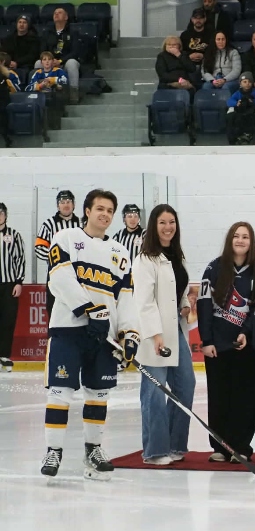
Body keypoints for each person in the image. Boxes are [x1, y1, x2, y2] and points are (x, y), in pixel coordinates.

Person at [40, 189, 139, 480]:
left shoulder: (120, 253)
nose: (105, 214)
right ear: (87, 211)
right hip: (67, 330)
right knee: (60, 392)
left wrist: (129, 334)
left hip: (103, 337)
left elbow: (125, 298)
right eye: (99, 208)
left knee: (98, 394)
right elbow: (59, 278)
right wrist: (90, 310)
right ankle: (53, 450)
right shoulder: (66, 238)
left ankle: (93, 449)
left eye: (109, 210)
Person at [132, 205, 194, 466]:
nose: (168, 227)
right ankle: (155, 450)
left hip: (175, 330)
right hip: (154, 336)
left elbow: (180, 290)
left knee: (186, 385)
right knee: (154, 392)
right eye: (162, 223)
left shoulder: (177, 255)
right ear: (153, 227)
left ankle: (175, 443)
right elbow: (144, 301)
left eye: (172, 222)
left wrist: (185, 304)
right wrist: (155, 334)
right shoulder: (145, 259)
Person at [199, 222, 255, 463]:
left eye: (245, 237)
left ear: (251, 242)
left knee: (245, 398)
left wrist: (246, 332)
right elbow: (204, 305)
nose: (240, 240)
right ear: (230, 239)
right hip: (217, 347)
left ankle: (241, 446)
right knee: (219, 397)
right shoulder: (214, 268)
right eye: (236, 236)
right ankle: (220, 446)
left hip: (246, 349)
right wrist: (207, 340)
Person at [35, 190, 80, 317]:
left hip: (79, 275)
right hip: (55, 274)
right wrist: (57, 259)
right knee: (54, 311)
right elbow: (39, 248)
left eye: (68, 202)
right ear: (57, 205)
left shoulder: (82, 224)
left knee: (79, 310)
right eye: (62, 202)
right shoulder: (49, 225)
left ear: (74, 204)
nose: (66, 205)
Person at [0, 202, 25, 373]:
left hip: (9, 284)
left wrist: (19, 282)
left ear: (6, 215)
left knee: (8, 320)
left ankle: (4, 355)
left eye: (1, 213)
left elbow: (20, 258)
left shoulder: (14, 235)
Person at [39, 8, 82, 104]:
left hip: (65, 62)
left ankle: (73, 92)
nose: (56, 14)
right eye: (55, 13)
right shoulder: (47, 33)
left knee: (72, 63)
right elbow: (43, 50)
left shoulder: (73, 32)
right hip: (50, 62)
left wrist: (60, 61)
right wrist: (50, 60)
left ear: (66, 17)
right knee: (38, 63)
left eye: (59, 13)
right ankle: (41, 92)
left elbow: (75, 52)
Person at [27, 51, 68, 128]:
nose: (47, 62)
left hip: (54, 95)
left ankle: (54, 124)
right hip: (40, 95)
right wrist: (40, 86)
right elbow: (29, 87)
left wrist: (53, 80)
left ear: (53, 61)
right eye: (44, 59)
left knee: (57, 97)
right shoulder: (37, 73)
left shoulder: (59, 71)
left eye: (49, 59)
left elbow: (65, 81)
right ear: (41, 62)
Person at [226, 73, 255, 145]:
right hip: (240, 112)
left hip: (252, 112)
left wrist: (252, 101)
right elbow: (229, 101)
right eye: (245, 82)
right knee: (231, 117)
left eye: (249, 82)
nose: (247, 84)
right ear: (240, 83)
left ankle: (248, 135)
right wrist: (236, 103)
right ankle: (234, 138)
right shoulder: (238, 93)